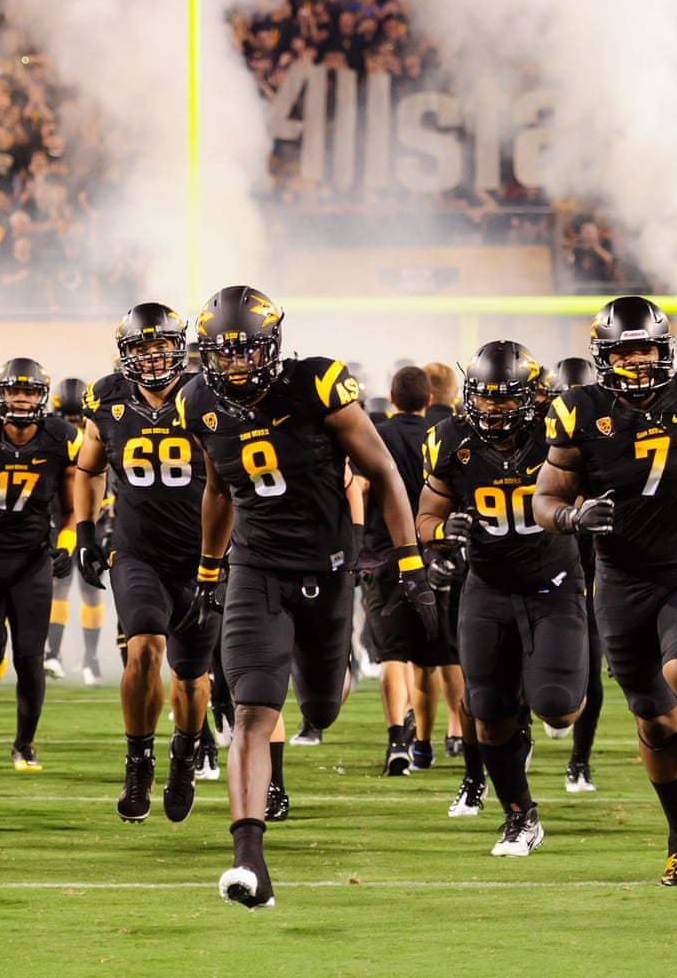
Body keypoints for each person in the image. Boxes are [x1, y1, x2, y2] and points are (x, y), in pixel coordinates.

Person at [175, 285, 434, 911]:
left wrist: (409, 562)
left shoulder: (318, 384)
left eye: (246, 353)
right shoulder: (198, 402)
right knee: (251, 713)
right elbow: (216, 489)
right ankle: (248, 860)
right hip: (256, 568)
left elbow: (384, 472)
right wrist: (210, 572)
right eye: (222, 354)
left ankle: (331, 669)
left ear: (272, 348)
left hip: (325, 569)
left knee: (320, 708)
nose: (234, 366)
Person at [533, 296, 677, 887]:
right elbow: (545, 499)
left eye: (647, 350)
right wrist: (572, 519)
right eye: (626, 352)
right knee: (656, 724)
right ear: (605, 357)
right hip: (621, 582)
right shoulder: (578, 410)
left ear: (665, 350)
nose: (638, 363)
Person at [419, 342, 589, 858]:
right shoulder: (449, 440)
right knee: (486, 708)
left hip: (553, 583)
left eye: (504, 400)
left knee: (558, 710)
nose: (492, 410)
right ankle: (520, 816)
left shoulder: (559, 435)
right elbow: (425, 518)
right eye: (484, 399)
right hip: (488, 585)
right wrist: (444, 532)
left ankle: (531, 714)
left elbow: (589, 493)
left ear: (534, 398)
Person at [72, 304, 218, 824]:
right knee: (145, 648)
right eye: (142, 348)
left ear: (181, 348)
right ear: (125, 354)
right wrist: (85, 531)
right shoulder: (106, 398)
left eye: (161, 347)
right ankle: (138, 760)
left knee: (192, 676)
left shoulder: (207, 394)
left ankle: (183, 755)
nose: (153, 358)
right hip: (136, 552)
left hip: (202, 557)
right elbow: (87, 468)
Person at [0, 358, 80, 771]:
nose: (21, 398)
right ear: (0, 394)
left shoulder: (60, 438)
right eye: (15, 390)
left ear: (42, 397)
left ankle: (24, 743)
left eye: (29, 392)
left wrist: (68, 542)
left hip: (32, 560)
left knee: (30, 658)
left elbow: (70, 508)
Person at [354, 365, 432, 779]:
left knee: (393, 656)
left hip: (385, 555)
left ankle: (397, 739)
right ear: (430, 400)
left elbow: (360, 488)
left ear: (393, 396)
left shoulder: (376, 434)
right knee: (437, 659)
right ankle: (444, 738)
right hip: (435, 556)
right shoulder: (443, 434)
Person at [538, 356, 604, 794]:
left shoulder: (610, 426)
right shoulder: (533, 436)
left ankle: (579, 760)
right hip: (545, 560)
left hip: (594, 561)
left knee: (593, 667)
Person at [43, 377, 105, 686]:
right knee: (61, 585)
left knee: (91, 590)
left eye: (77, 419)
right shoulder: (55, 437)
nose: (74, 426)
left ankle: (90, 657)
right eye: (67, 420)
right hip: (63, 519)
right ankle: (53, 652)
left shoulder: (98, 430)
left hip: (96, 519)